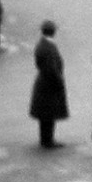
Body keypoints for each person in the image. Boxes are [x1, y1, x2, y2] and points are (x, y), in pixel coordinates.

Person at [29, 20, 69, 149]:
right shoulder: (48, 47)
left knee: (45, 114)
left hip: (44, 83)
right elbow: (51, 69)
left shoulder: (43, 44)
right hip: (49, 85)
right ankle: (48, 140)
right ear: (53, 32)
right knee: (49, 113)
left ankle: (45, 138)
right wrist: (59, 82)